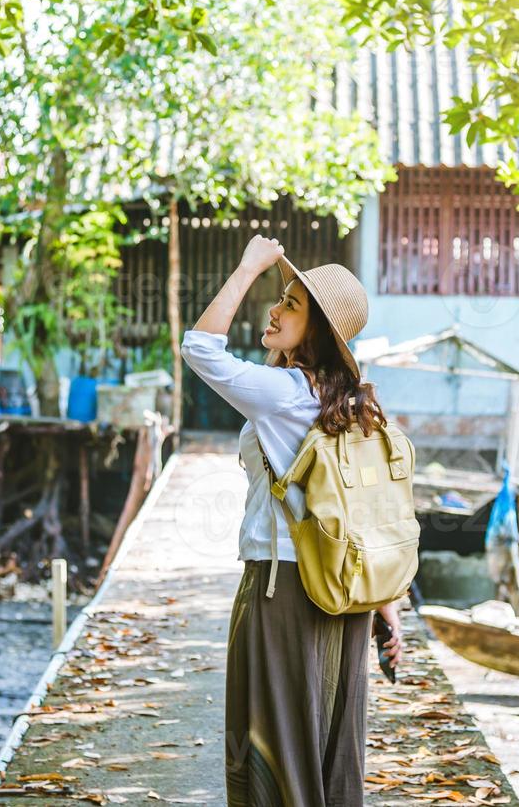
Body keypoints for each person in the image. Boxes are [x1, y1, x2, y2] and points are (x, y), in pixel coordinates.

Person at [180, 234, 404, 807]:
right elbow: (367, 510)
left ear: (320, 333)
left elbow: (200, 348)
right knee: (329, 752)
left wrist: (248, 266)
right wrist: (385, 606)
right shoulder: (352, 402)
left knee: (272, 750)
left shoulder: (282, 393)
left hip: (282, 589)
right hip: (342, 591)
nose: (273, 310)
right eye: (277, 295)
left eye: (291, 305)